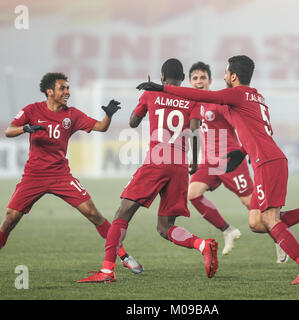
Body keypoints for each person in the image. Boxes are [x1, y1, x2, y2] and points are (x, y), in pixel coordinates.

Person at [137, 55, 299, 285]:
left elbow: (201, 95)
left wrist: (162, 88)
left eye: (225, 72)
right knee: (256, 222)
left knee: (269, 219)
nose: (223, 76)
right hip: (267, 159)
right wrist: (242, 151)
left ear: (233, 76)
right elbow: (259, 129)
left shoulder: (235, 94)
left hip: (266, 161)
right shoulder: (257, 97)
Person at [0, 72, 143, 278]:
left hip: (61, 175)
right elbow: (9, 130)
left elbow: (100, 127)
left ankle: (124, 257)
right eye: (63, 88)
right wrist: (25, 128)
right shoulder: (32, 110)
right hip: (33, 176)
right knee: (10, 218)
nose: (67, 92)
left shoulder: (71, 115)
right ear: (49, 91)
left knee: (93, 213)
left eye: (68, 88)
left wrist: (109, 114)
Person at [78, 59, 219, 284]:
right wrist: (194, 161)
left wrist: (145, 97)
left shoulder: (150, 93)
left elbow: (134, 122)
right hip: (180, 166)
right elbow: (195, 131)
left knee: (122, 214)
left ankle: (106, 271)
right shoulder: (192, 97)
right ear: (182, 78)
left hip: (156, 162)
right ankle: (202, 245)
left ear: (162, 77)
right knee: (165, 227)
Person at [187, 61, 288, 262]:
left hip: (229, 160)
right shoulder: (196, 106)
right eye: (195, 78)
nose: (199, 81)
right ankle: (227, 230)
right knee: (192, 193)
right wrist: (195, 159)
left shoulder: (221, 101)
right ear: (190, 82)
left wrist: (246, 150)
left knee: (254, 207)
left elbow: (241, 124)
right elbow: (195, 132)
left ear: (210, 80)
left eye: (202, 77)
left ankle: (278, 238)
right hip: (210, 163)